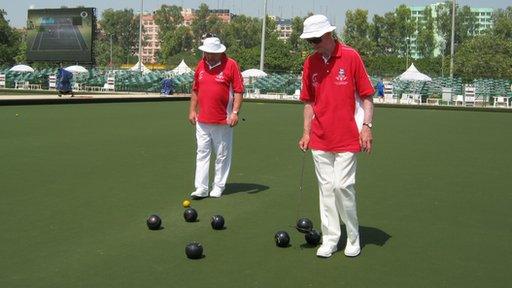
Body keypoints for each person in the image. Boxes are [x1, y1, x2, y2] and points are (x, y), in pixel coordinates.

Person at [298, 15, 375, 258]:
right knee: (327, 188)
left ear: (330, 34)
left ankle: (353, 237)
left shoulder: (351, 56)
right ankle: (331, 238)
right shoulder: (310, 63)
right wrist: (306, 133)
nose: (313, 44)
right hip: (320, 138)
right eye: (310, 40)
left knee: (343, 186)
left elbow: (367, 96)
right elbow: (309, 101)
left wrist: (367, 126)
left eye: (316, 39)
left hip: (347, 137)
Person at [188, 36, 244, 198]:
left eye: (211, 53)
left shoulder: (231, 65)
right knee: (202, 153)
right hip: (202, 119)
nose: (208, 56)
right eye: (206, 52)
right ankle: (201, 187)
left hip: (223, 120)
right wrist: (192, 110)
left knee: (222, 154)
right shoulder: (200, 65)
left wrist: (235, 113)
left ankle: (218, 185)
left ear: (220, 52)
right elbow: (195, 90)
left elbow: (239, 91)